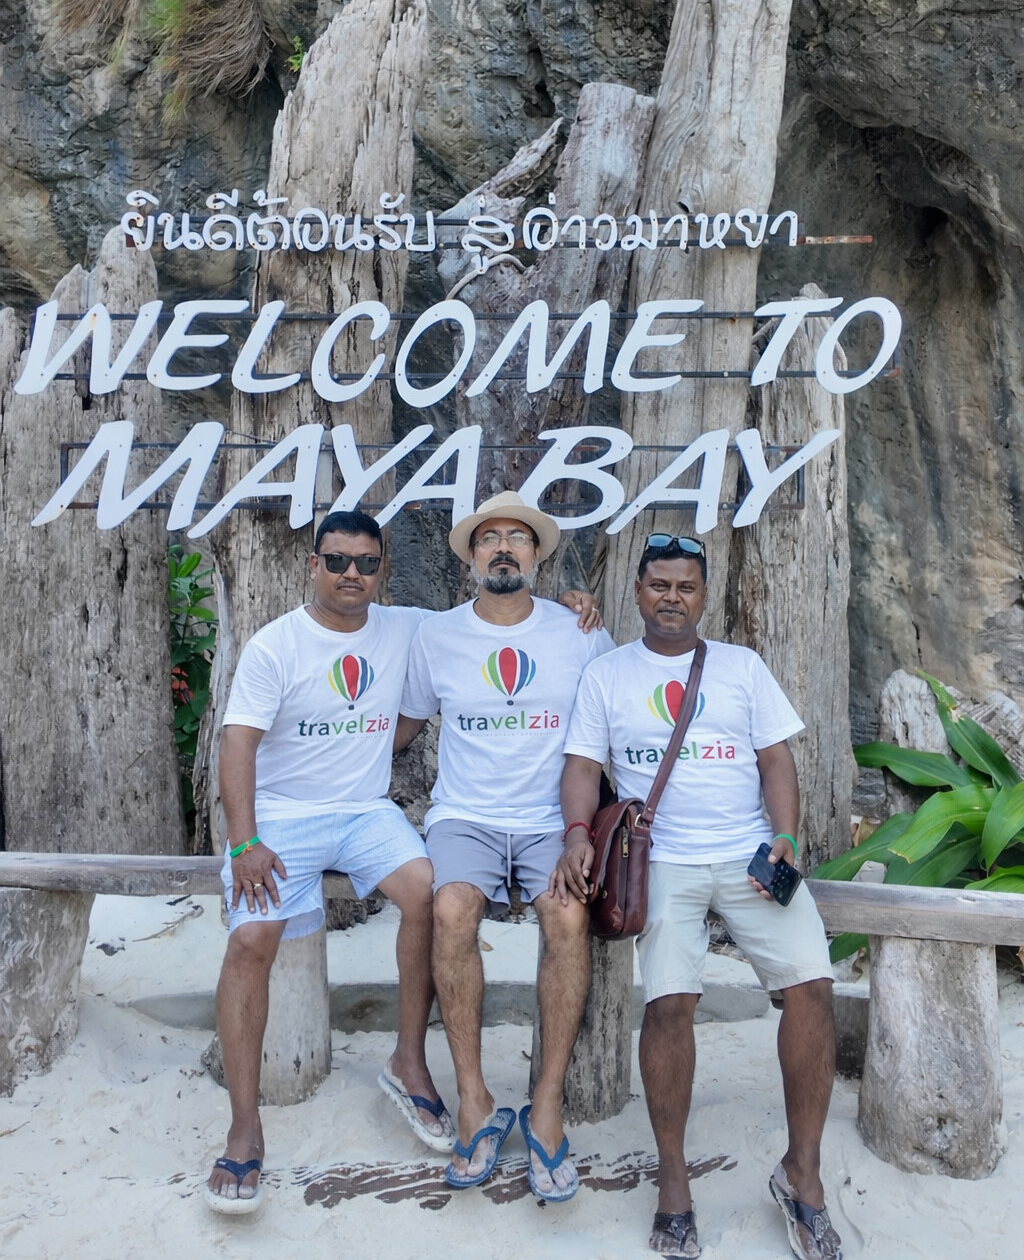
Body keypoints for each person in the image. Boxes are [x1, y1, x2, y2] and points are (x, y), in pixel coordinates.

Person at [205, 508, 600, 1215]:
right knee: (253, 937)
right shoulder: (279, 646)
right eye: (337, 561)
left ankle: (409, 1061)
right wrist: (243, 841)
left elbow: (495, 625)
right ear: (313, 565)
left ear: (383, 571)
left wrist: (576, 604)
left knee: (426, 893)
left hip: (366, 812)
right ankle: (244, 1127)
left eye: (365, 563)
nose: (351, 574)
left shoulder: (418, 626)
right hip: (283, 819)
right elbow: (236, 744)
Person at [555, 534, 842, 1260]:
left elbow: (775, 758)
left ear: (703, 596)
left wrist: (784, 835)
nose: (671, 598)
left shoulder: (742, 667)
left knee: (811, 986)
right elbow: (585, 765)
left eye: (685, 586)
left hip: (749, 853)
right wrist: (576, 833)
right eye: (658, 585)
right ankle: (674, 1183)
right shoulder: (609, 674)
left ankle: (802, 1175)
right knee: (670, 1002)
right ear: (639, 591)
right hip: (664, 860)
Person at [397, 491, 615, 1201]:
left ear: (536, 557)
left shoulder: (579, 631)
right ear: (469, 559)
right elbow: (402, 723)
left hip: (554, 816)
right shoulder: (436, 635)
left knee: (566, 916)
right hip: (467, 815)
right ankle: (473, 1099)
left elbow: (615, 717)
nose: (502, 548)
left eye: (517, 539)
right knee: (453, 910)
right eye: (488, 538)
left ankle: (546, 1105)